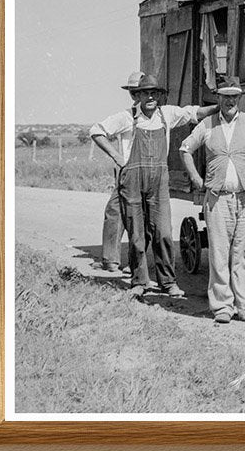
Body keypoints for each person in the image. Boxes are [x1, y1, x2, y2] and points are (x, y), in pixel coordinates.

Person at [90, 71, 217, 299]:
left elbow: (194, 113)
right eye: (145, 93)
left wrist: (221, 107)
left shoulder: (166, 115)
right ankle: (139, 281)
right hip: (132, 182)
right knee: (137, 235)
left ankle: (168, 282)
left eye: (154, 93)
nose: (150, 97)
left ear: (159, 96)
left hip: (159, 181)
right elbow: (96, 131)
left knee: (163, 233)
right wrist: (117, 157)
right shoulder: (127, 117)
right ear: (137, 96)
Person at [179, 77, 245, 325]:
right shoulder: (207, 124)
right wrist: (197, 179)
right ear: (217, 98)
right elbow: (185, 149)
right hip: (218, 198)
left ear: (239, 99)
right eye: (225, 96)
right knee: (219, 253)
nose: (230, 100)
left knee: (244, 253)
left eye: (234, 96)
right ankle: (222, 307)